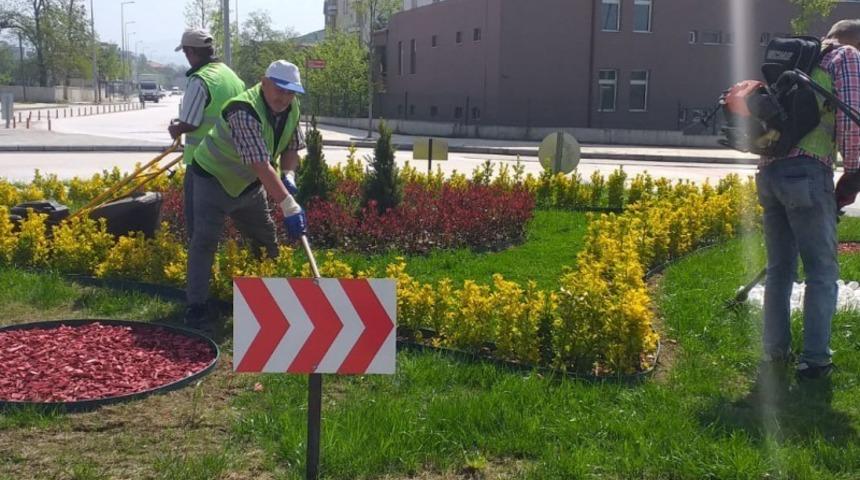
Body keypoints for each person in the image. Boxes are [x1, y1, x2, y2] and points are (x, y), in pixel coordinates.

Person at [756, 19, 860, 380]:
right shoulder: (845, 57)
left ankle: (774, 352)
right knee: (821, 272)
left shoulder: (799, 58)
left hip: (769, 172)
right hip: (808, 174)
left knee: (780, 270)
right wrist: (853, 171)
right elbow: (851, 120)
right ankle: (815, 360)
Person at [184, 60, 308, 328]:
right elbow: (260, 164)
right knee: (204, 242)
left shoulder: (291, 108)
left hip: (249, 186)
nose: (285, 98)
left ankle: (273, 300)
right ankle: (197, 306)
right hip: (213, 180)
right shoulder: (243, 109)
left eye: (291, 92)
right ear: (264, 83)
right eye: (279, 89)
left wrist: (289, 175)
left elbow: (291, 147)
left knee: (265, 239)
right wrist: (288, 205)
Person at [167, 28, 246, 240]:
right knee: (229, 220)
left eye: (186, 53)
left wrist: (176, 128)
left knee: (199, 226)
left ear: (192, 51)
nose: (186, 58)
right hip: (231, 161)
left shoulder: (200, 80)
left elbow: (190, 123)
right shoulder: (232, 76)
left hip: (202, 163)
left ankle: (201, 267)